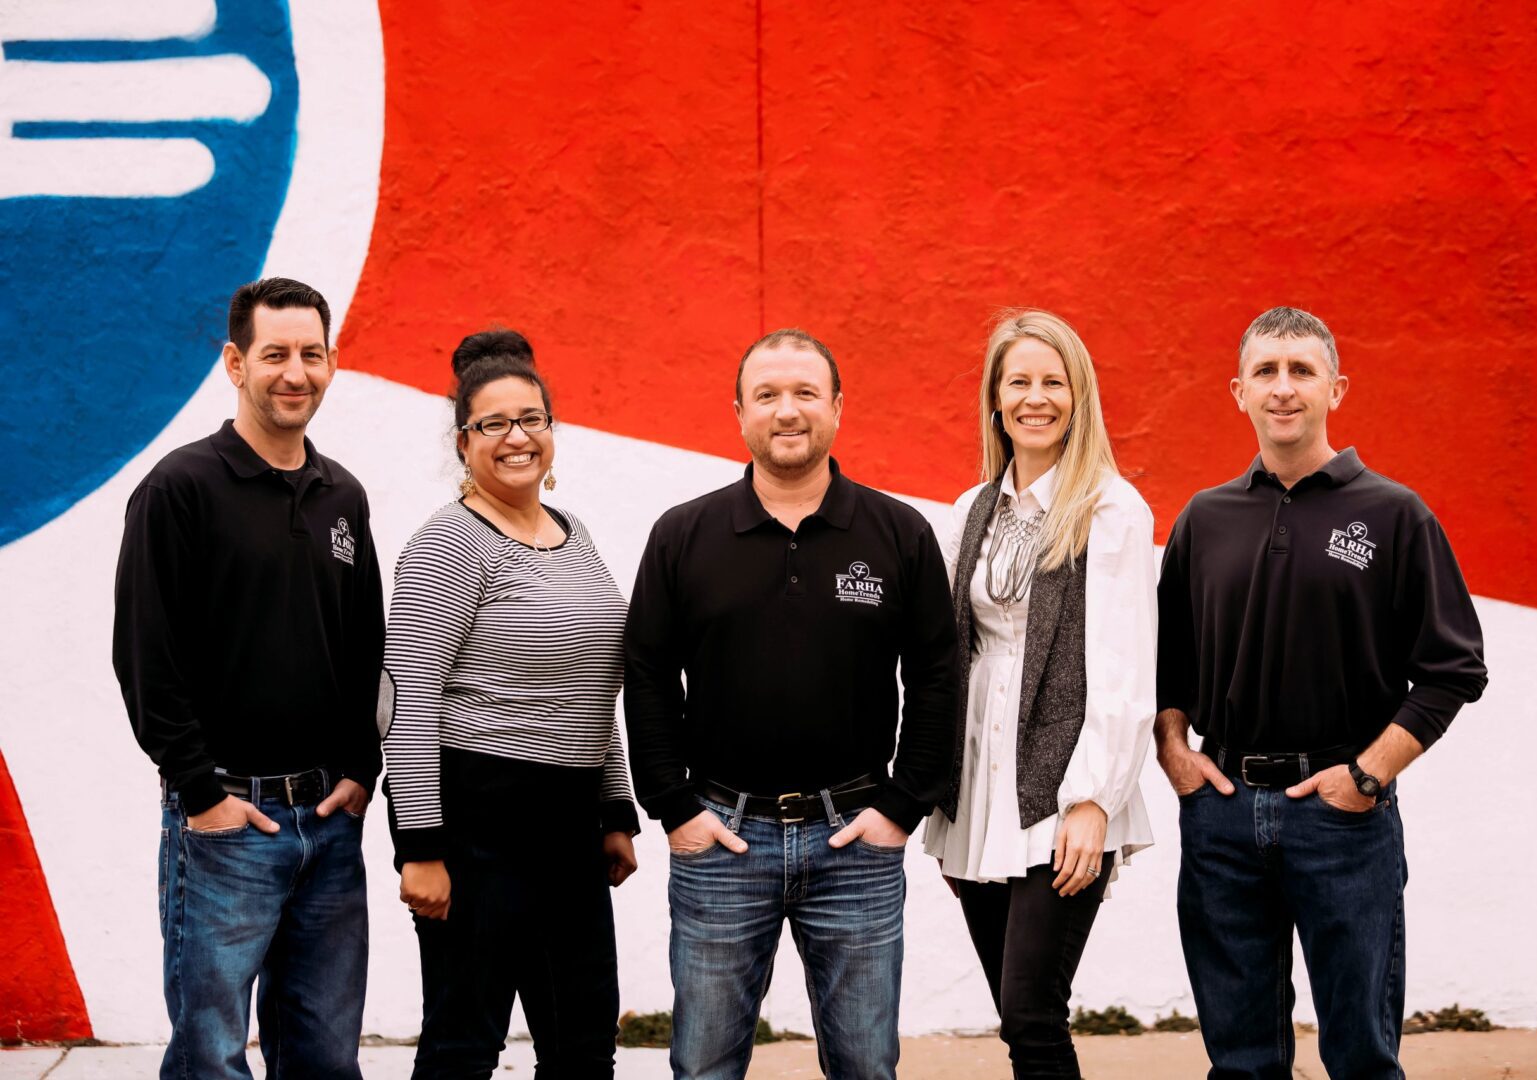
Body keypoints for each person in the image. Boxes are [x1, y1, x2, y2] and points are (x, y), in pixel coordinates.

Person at [1154, 306, 1488, 1079]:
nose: (1283, 388)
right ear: (1237, 390)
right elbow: (1170, 666)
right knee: (1240, 1062)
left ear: (1337, 389)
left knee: (1363, 1057)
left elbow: (1454, 668)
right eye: (1266, 371)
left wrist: (1367, 776)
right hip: (1224, 816)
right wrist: (1175, 750)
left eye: (1301, 370)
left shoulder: (1394, 514)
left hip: (1344, 820)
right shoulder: (1205, 519)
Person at [623, 328, 957, 1080]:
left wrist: (902, 806)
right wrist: (674, 806)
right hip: (721, 841)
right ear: (738, 412)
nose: (787, 411)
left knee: (866, 1067)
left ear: (838, 407)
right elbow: (647, 674)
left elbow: (937, 676)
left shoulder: (898, 533)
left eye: (806, 392)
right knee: (704, 1065)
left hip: (855, 846)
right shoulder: (683, 535)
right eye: (767, 394)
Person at [112, 277, 383, 1079]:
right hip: (227, 823)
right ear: (235, 363)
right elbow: (144, 655)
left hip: (329, 825)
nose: (295, 372)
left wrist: (362, 771)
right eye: (275, 355)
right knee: (211, 1057)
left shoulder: (344, 496)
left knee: (326, 1059)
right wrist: (200, 793)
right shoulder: (181, 488)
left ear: (332, 363)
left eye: (312, 354)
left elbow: (365, 646)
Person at [380, 328, 639, 1079]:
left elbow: (591, 687)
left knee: (584, 1045)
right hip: (476, 830)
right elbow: (407, 702)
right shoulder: (448, 546)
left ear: (552, 431)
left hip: (568, 832)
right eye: (494, 423)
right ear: (463, 441)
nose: (516, 437)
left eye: (531, 419)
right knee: (466, 1043)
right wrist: (420, 848)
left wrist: (615, 813)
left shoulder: (575, 534)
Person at [922, 310, 1157, 1079]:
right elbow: (953, 653)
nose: (1036, 397)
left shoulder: (1110, 509)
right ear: (994, 398)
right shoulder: (972, 511)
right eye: (1018, 381)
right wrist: (936, 793)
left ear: (1078, 395)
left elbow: (1123, 667)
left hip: (1062, 786)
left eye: (1053, 381)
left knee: (1032, 1011)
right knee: (1016, 1017)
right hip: (979, 790)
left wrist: (1093, 800)